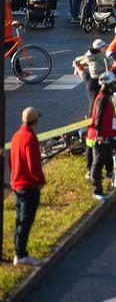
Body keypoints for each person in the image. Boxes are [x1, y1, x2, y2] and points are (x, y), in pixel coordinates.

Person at [9, 107, 46, 266]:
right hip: (28, 185)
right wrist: (41, 180)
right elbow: (34, 165)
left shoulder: (16, 136)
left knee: (19, 219)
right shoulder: (30, 138)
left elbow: (11, 161)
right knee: (26, 220)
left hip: (16, 183)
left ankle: (17, 249)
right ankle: (20, 254)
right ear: (35, 122)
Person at [88, 71, 116, 200]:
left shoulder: (107, 97)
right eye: (114, 84)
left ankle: (112, 177)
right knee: (98, 162)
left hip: (109, 134)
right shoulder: (102, 99)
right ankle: (97, 191)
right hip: (100, 136)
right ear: (109, 85)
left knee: (109, 158)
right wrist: (99, 135)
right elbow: (98, 118)